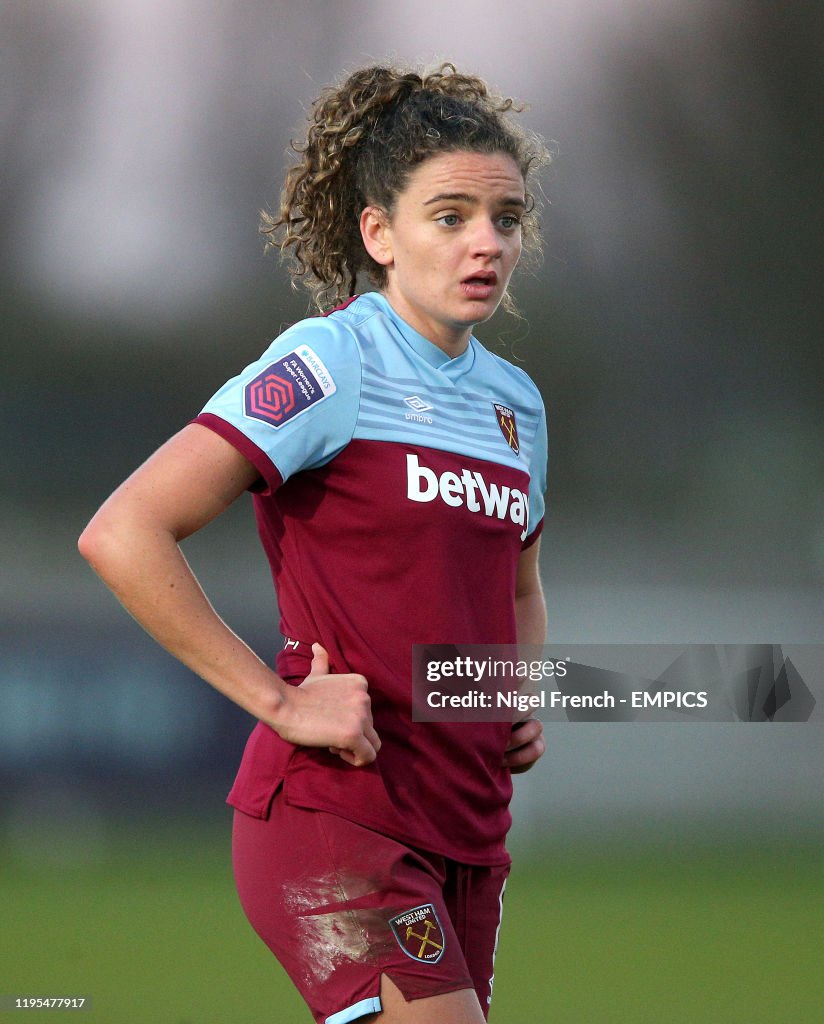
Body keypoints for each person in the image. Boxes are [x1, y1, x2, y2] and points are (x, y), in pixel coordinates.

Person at [79, 62, 549, 1024]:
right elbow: (125, 532)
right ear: (379, 232)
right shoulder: (333, 361)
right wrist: (278, 700)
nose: (486, 243)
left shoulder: (517, 405)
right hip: (337, 816)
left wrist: (512, 696)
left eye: (506, 217)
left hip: (467, 829)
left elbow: (521, 585)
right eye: (450, 215)